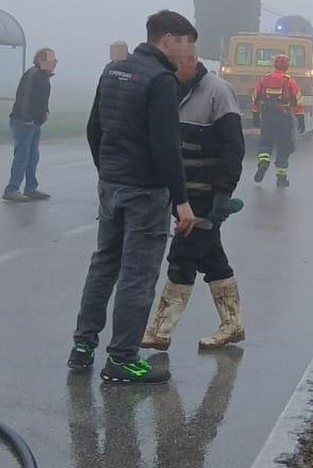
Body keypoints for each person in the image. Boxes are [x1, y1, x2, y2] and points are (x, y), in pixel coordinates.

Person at [68, 10, 199, 385]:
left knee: (103, 265)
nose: (188, 53)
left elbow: (94, 128)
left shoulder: (114, 70)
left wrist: (107, 170)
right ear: (169, 39)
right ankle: (123, 359)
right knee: (137, 275)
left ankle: (83, 346)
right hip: (145, 192)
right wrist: (181, 199)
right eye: (186, 44)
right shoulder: (161, 80)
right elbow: (166, 146)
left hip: (112, 185)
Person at [141, 39, 246, 352]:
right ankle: (232, 324)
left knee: (182, 257)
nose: (171, 69)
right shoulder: (169, 88)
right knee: (212, 259)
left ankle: (160, 330)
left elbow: (233, 148)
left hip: (206, 196)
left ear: (191, 61)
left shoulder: (218, 92)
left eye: (175, 63)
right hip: (182, 194)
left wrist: (223, 195)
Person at [3, 48, 57, 202]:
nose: (54, 64)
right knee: (22, 156)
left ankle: (31, 188)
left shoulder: (44, 77)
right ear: (41, 60)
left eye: (55, 61)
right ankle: (12, 189)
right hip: (23, 122)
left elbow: (41, 99)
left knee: (33, 156)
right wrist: (27, 117)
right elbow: (24, 98)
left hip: (34, 123)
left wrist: (45, 112)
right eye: (52, 61)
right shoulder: (33, 75)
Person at [250, 53, 302, 187]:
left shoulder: (264, 80)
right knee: (283, 147)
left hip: (267, 118)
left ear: (274, 65)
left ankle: (263, 163)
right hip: (284, 119)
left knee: (265, 143)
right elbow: (297, 100)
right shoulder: (289, 81)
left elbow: (255, 98)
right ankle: (281, 178)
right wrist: (300, 118)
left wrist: (255, 117)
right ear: (287, 66)